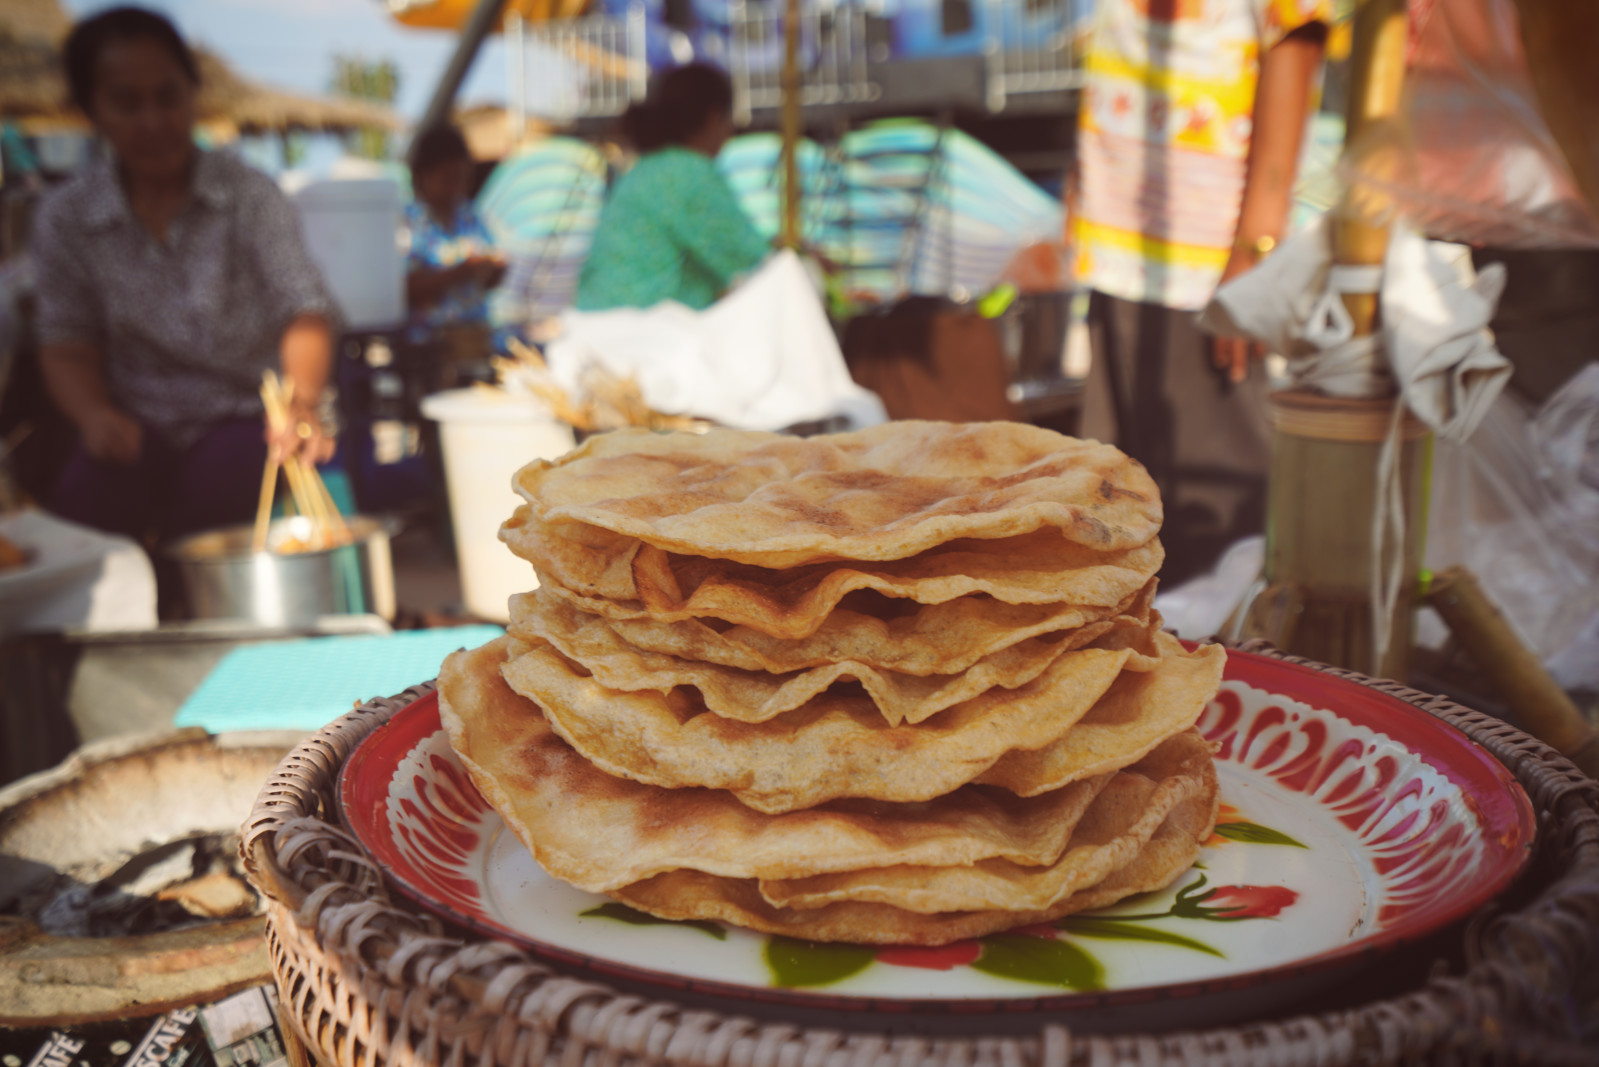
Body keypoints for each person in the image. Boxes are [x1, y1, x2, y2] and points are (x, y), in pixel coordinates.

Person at [32, 6, 337, 549]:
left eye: (167, 97)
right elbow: (66, 345)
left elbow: (304, 310)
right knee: (79, 531)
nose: (152, 121)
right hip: (133, 425)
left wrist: (302, 398)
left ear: (194, 94)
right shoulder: (67, 216)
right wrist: (94, 415)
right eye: (126, 103)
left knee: (215, 513)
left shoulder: (249, 195)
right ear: (90, 110)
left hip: (247, 420)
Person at [1072, 0, 1330, 585]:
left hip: (1208, 259)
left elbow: (1294, 39)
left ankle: (1233, 660)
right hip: (1119, 248)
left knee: (1216, 526)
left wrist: (1254, 250)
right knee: (1118, 504)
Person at [574, 63, 770, 312]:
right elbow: (752, 259)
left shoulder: (646, 169)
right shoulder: (688, 173)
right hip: (642, 333)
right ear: (715, 117)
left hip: (597, 319)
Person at [403, 123, 505, 385]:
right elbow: (404, 288)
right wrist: (461, 272)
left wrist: (494, 270)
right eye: (448, 178)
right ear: (424, 175)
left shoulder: (470, 215)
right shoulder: (408, 222)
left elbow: (491, 275)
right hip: (428, 350)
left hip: (474, 341)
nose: (457, 187)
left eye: (462, 178)